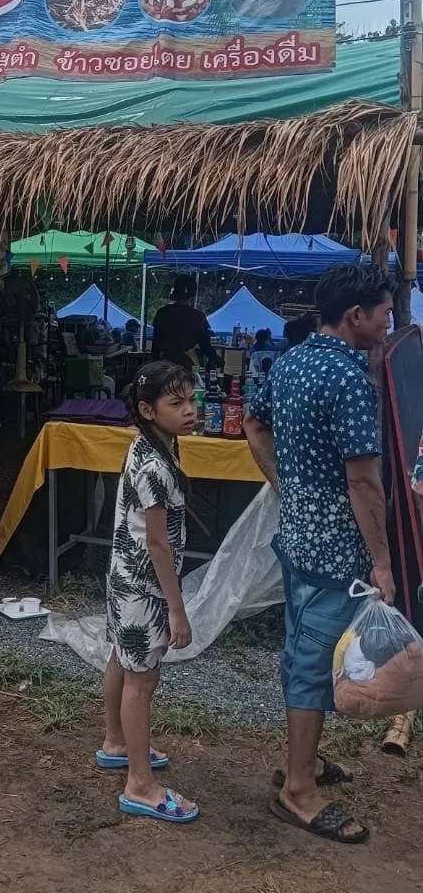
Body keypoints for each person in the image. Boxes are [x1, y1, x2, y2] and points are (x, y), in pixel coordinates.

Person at [244, 263, 395, 845]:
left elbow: (253, 424)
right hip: (337, 553)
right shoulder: (348, 380)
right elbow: (364, 481)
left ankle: (305, 759)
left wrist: (285, 484)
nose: (389, 323)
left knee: (302, 649)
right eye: (385, 313)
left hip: (298, 539)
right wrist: (383, 562)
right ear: (356, 315)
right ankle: (299, 790)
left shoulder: (293, 360)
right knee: (312, 664)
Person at [100, 362, 199, 824]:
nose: (189, 410)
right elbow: (158, 544)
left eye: (191, 400)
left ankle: (115, 742)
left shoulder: (148, 445)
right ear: (147, 409)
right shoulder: (155, 464)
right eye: (176, 403)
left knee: (121, 659)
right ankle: (140, 784)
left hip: (125, 576)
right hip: (144, 587)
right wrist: (177, 610)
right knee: (141, 681)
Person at [150, 276, 217, 369]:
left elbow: (156, 343)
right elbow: (205, 345)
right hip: (188, 362)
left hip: (165, 363)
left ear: (175, 290)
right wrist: (216, 359)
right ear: (193, 294)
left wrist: (155, 361)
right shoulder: (198, 316)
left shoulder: (162, 313)